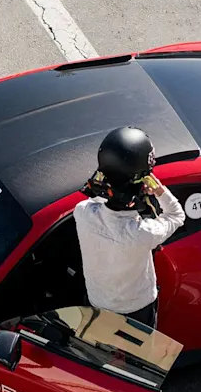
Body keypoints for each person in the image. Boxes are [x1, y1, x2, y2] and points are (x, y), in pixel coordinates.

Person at [73, 127, 186, 328]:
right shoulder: (143, 234)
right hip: (137, 309)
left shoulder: (81, 212)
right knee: (139, 355)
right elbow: (177, 215)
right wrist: (159, 190)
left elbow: (98, 199)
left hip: (96, 301)